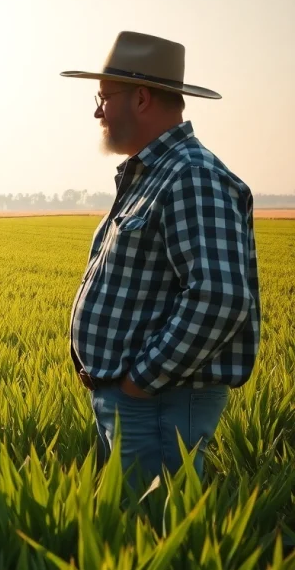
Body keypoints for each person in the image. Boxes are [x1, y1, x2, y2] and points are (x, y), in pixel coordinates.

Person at [61, 31, 260, 481]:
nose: (97, 111)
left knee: (151, 531)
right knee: (128, 534)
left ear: (142, 98)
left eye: (104, 97)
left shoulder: (191, 175)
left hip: (158, 403)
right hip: (141, 402)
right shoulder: (155, 173)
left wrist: (140, 382)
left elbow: (220, 298)